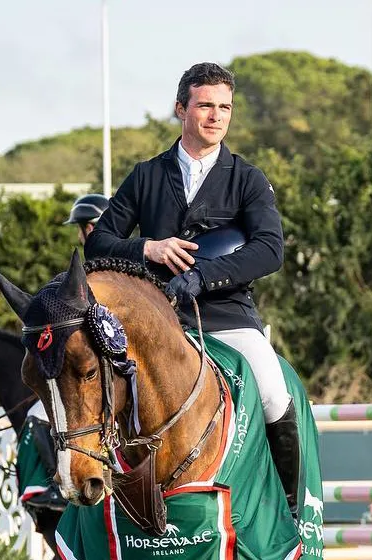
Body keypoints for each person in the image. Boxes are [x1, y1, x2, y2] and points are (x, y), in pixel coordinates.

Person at [84, 62, 302, 520]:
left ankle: (287, 512)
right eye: (205, 105)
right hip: (156, 319)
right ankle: (91, 498)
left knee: (273, 393)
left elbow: (270, 250)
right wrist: (150, 247)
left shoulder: (248, 178)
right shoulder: (145, 175)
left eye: (225, 107)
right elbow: (99, 243)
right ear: (181, 109)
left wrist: (206, 276)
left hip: (227, 316)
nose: (216, 116)